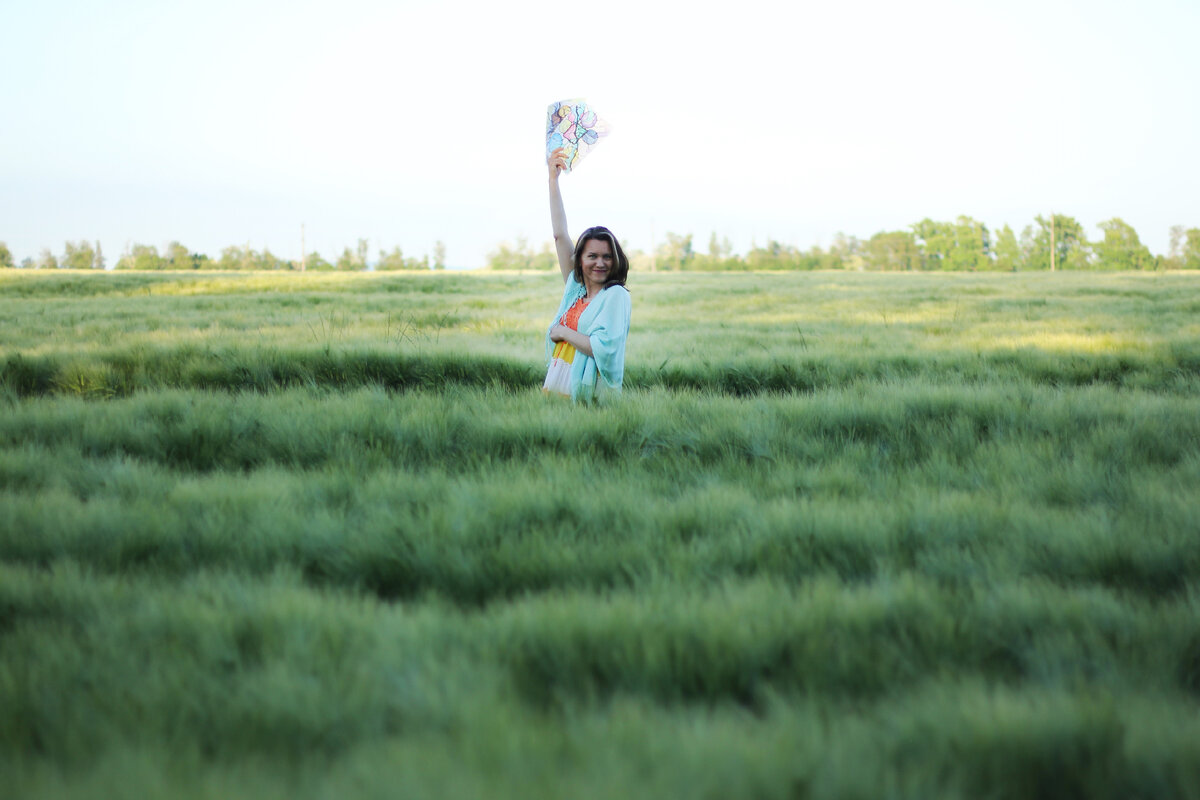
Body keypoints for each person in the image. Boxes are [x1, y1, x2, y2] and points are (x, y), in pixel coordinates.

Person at [542, 146, 631, 402]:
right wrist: (552, 180)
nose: (600, 263)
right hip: (559, 384)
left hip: (588, 394)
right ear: (580, 260)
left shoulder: (615, 296)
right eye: (592, 256)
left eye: (607, 256)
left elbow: (604, 349)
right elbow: (559, 235)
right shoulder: (575, 290)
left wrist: (562, 331)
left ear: (616, 260)